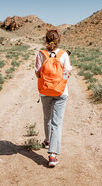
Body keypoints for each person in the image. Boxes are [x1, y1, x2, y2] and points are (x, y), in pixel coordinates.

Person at [34, 29, 72, 167]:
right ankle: (52, 155)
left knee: (47, 118)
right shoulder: (64, 54)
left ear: (46, 40)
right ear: (58, 40)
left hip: (45, 92)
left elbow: (38, 73)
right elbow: (67, 72)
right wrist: (61, 82)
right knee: (57, 122)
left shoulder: (41, 54)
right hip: (61, 92)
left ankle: (47, 141)